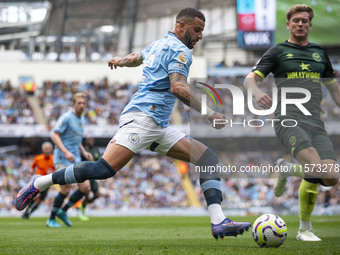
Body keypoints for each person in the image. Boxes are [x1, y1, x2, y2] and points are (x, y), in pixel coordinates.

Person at [15, 7, 251, 239]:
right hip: (143, 119)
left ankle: (218, 221)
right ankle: (40, 182)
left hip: (156, 124)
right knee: (103, 169)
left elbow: (136, 58)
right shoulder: (181, 51)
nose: (200, 36)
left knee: (207, 158)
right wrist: (210, 113)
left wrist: (120, 61)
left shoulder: (158, 44)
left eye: (202, 31)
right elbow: (178, 87)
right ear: (181, 26)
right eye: (197, 30)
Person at [244, 4, 340, 241]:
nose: (300, 24)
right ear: (288, 25)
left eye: (304, 20)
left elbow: (335, 90)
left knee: (331, 177)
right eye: (295, 20)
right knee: (316, 169)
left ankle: (287, 170)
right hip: (288, 120)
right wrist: (257, 94)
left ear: (309, 24)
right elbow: (249, 81)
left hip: (315, 124)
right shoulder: (277, 52)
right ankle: (304, 229)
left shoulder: (320, 54)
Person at [46, 92, 93, 227]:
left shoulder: (82, 120)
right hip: (62, 157)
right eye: (79, 103)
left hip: (75, 158)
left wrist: (84, 152)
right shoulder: (66, 118)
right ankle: (51, 219)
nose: (82, 105)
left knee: (85, 188)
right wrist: (66, 152)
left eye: (84, 103)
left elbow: (76, 139)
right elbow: (54, 136)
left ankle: (64, 211)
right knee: (65, 190)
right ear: (73, 104)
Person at [21, 141, 55, 219]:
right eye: (46, 149)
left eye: (49, 149)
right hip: (38, 179)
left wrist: (52, 172)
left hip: (47, 181)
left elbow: (55, 170)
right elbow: (32, 167)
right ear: (43, 150)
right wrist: (30, 173)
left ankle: (28, 213)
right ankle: (26, 211)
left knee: (40, 200)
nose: (47, 150)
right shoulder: (38, 158)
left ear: (51, 150)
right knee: (35, 196)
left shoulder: (53, 159)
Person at [77, 137, 101, 221]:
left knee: (96, 194)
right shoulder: (84, 151)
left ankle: (83, 205)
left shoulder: (96, 150)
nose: (90, 141)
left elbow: (99, 161)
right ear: (86, 142)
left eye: (92, 140)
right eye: (89, 140)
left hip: (94, 174)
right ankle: (82, 211)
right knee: (87, 193)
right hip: (86, 174)